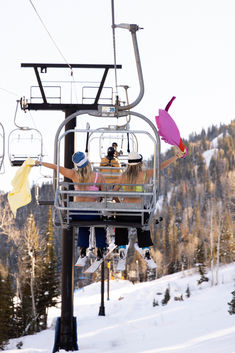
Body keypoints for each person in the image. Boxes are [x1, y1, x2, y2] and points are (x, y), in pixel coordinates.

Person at [113, 147, 185, 260]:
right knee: (144, 223)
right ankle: (145, 248)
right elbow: (161, 166)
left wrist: (119, 204)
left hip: (125, 212)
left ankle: (121, 247)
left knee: (120, 223)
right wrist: (176, 156)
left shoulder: (123, 176)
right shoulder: (145, 174)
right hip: (139, 212)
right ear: (139, 163)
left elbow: (114, 192)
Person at [34, 151, 108, 262]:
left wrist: (39, 162)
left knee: (83, 225)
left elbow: (56, 167)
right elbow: (105, 194)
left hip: (76, 213)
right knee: (100, 224)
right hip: (92, 214)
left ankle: (83, 249)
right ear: (88, 163)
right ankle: (101, 249)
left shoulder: (74, 174)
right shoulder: (98, 177)